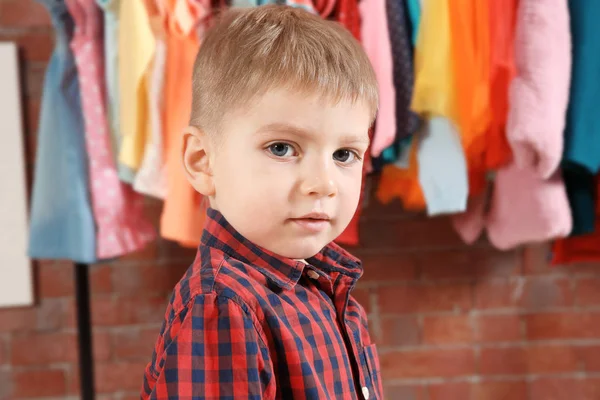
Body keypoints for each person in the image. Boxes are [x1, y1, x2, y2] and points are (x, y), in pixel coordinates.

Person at [140, 5, 383, 399]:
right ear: (202, 161)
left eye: (344, 154)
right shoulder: (223, 308)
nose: (323, 184)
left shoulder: (328, 288)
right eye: (282, 147)